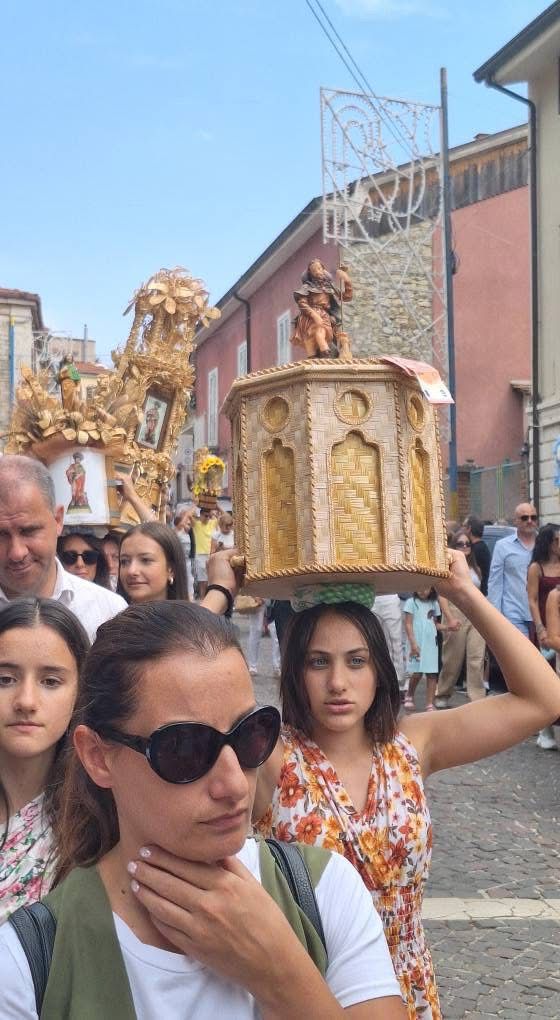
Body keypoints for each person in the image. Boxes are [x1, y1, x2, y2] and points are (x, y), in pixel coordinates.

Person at [0, 602, 405, 1018]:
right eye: (186, 748)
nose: (233, 783)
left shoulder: (322, 889)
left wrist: (281, 973)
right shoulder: (29, 963)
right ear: (98, 757)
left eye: (251, 734)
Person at [254, 554, 560, 1019]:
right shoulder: (271, 758)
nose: (338, 683)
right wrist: (218, 599)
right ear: (295, 672)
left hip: (408, 989)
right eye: (318, 662)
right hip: (311, 994)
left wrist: (462, 592)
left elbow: (544, 698)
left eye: (356, 661)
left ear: (380, 670)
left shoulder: (412, 745)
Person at [0, 599, 89, 922]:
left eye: (50, 681)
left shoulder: (96, 823)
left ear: (80, 691)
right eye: (5, 679)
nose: (25, 701)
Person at [0, 455, 127, 642]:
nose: (17, 552)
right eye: (1, 535)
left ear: (58, 520)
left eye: (29, 531)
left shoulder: (108, 613)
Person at [435, 530, 486, 708]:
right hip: (455, 610)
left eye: (467, 544)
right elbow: (441, 594)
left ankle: (477, 697)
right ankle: (442, 693)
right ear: (453, 546)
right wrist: (448, 617)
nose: (465, 547)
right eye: (460, 544)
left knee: (476, 657)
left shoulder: (475, 568)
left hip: (475, 612)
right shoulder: (449, 566)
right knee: (452, 658)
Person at [527, 523, 560, 749]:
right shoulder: (536, 567)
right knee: (546, 678)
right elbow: (532, 599)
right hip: (543, 626)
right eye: (557, 540)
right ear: (549, 542)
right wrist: (540, 627)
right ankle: (545, 727)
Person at [487, 502, 538, 637]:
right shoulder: (502, 546)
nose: (530, 521)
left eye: (533, 517)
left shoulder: (544, 545)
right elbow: (495, 583)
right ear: (515, 521)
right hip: (513, 614)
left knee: (543, 657)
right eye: (524, 518)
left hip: (541, 614)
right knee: (520, 657)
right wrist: (495, 616)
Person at [291, 258, 353, 359]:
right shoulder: (307, 287)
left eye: (319, 268)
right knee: (317, 331)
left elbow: (346, 297)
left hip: (325, 315)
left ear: (323, 269)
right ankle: (322, 351)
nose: (317, 272)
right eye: (314, 270)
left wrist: (347, 281)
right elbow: (302, 303)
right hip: (310, 315)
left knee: (327, 334)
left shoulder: (329, 286)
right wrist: (314, 315)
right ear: (310, 273)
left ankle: (325, 353)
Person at [118, 522, 189, 603]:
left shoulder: (191, 615)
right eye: (124, 562)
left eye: (145, 560)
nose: (131, 571)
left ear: (171, 569)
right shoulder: (109, 612)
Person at [402, 588, 442, 712]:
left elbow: (435, 624)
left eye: (426, 587)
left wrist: (448, 627)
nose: (422, 590)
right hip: (417, 642)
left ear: (432, 589)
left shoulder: (434, 603)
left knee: (432, 673)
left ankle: (429, 703)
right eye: (420, 587)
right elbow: (408, 624)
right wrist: (413, 643)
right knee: (417, 672)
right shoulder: (411, 602)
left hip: (431, 643)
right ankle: (409, 694)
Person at [191, 506, 217, 599]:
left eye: (208, 516)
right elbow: (188, 515)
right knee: (202, 580)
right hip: (200, 554)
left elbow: (226, 517)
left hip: (211, 554)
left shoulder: (212, 523)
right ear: (201, 515)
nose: (207, 518)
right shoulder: (196, 524)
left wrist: (216, 507)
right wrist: (195, 504)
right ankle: (202, 598)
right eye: (205, 516)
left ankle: (208, 598)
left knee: (211, 578)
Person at [462, 515, 491, 596]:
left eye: (463, 526)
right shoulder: (482, 547)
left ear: (469, 528)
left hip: (479, 595)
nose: (462, 529)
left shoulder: (475, 550)